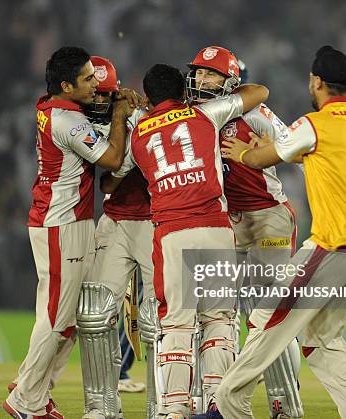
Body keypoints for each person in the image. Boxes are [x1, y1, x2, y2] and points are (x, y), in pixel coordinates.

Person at [206, 45, 346, 419]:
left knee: (264, 318)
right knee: (322, 342)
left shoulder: (312, 124)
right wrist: (269, 147)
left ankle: (226, 406)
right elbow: (309, 156)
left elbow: (259, 159)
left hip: (334, 248)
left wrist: (244, 152)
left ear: (316, 81)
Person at [110, 63, 268, 419]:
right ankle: (218, 403)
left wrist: (130, 114)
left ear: (149, 98)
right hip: (214, 226)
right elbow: (257, 92)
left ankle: (175, 409)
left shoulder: (138, 134)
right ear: (183, 92)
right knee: (219, 321)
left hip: (171, 232)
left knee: (177, 325)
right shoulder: (205, 115)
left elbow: (112, 178)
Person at [3, 46, 141, 419]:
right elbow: (112, 161)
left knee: (68, 317)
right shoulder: (68, 121)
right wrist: (120, 116)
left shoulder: (54, 107)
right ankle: (24, 400)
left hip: (65, 221)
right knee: (57, 317)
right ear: (66, 85)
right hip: (61, 225)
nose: (93, 83)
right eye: (86, 78)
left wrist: (113, 104)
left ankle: (34, 387)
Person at [186, 46, 303, 418]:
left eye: (211, 74)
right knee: (223, 313)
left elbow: (300, 153)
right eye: (199, 73)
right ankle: (226, 404)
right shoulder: (195, 115)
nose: (202, 80)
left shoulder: (254, 113)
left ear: (230, 81)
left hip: (269, 218)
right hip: (227, 221)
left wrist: (268, 150)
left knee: (268, 315)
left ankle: (285, 405)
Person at [75, 55, 151, 419]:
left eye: (107, 95)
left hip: (155, 221)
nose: (98, 102)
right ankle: (102, 407)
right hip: (115, 219)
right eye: (95, 94)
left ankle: (165, 406)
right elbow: (107, 181)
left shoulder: (142, 114)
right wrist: (128, 158)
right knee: (96, 314)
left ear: (119, 92)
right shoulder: (82, 123)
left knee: (160, 316)